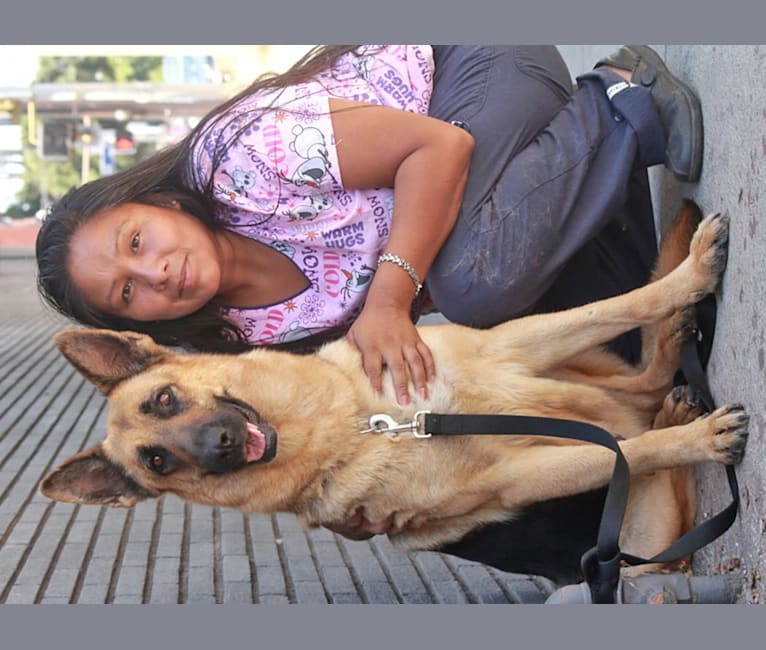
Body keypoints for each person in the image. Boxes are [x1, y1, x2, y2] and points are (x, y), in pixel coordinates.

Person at [36, 45, 703, 566]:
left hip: (473, 81)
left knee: (476, 286)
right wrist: (363, 513)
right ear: (140, 323)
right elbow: (357, 420)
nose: (156, 272)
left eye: (136, 241)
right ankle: (601, 566)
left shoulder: (240, 158)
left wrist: (389, 298)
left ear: (156, 205)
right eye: (128, 293)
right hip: (481, 209)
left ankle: (620, 95)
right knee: (433, 504)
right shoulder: (243, 337)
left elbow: (440, 147)